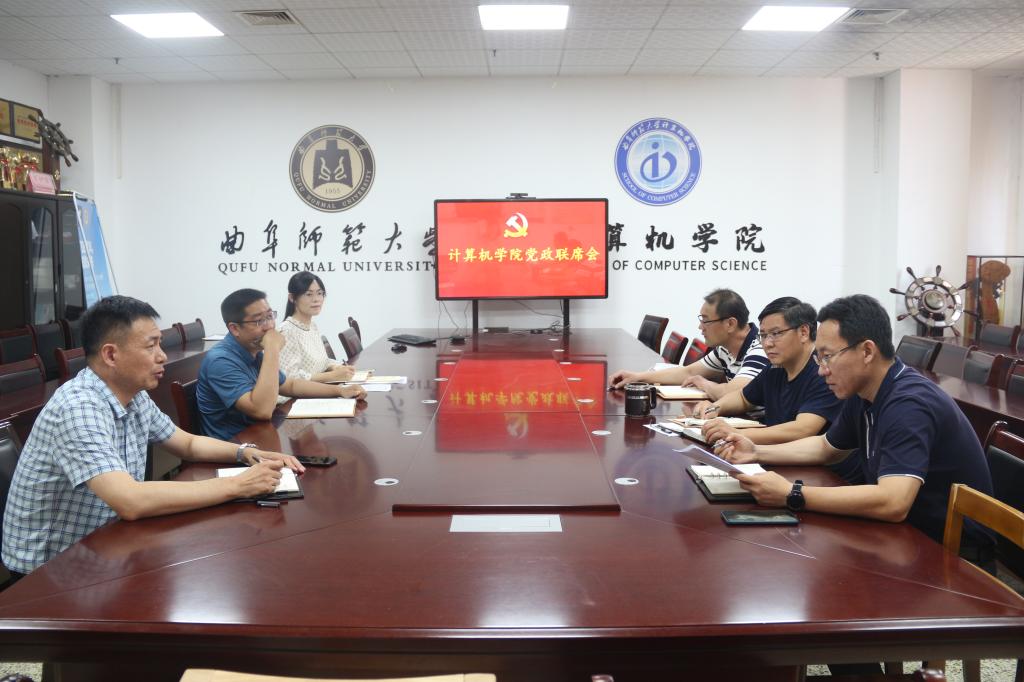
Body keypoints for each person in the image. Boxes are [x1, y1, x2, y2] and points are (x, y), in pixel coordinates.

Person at [1, 296, 304, 578]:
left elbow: (187, 443)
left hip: (107, 541)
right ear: (111, 354)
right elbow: (130, 500)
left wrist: (246, 453)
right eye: (151, 346)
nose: (162, 356)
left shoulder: (132, 395)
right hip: (51, 569)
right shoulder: (78, 408)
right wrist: (238, 485)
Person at [718, 294, 995, 557]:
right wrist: (756, 451)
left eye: (828, 356)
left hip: (952, 553)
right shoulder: (863, 391)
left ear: (867, 351)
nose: (821, 369)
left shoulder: (909, 403)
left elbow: (894, 502)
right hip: (903, 535)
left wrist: (792, 494)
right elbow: (826, 447)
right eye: (819, 358)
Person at [197, 288, 367, 441]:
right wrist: (272, 349)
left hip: (259, 437)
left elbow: (290, 385)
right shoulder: (220, 361)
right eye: (259, 321)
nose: (270, 326)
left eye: (270, 316)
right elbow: (262, 410)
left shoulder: (253, 351)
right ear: (234, 328)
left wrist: (339, 391)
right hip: (234, 447)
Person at [693, 297, 840, 445]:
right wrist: (715, 407)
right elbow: (743, 398)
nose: (768, 343)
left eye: (776, 334)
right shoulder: (776, 367)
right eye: (763, 335)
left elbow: (803, 429)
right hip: (774, 452)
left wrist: (737, 434)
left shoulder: (824, 371)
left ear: (803, 332)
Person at [609, 288, 769, 399]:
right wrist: (637, 377)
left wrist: (703, 383)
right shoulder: (724, 350)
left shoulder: (759, 350)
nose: (700, 327)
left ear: (730, 324)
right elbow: (688, 372)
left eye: (706, 321)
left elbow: (732, 393)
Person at [279, 271, 355, 385]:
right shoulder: (286, 331)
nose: (316, 299)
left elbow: (322, 362)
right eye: (308, 294)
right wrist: (331, 376)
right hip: (301, 395)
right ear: (292, 298)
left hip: (320, 389)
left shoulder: (312, 326)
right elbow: (290, 377)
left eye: (319, 293)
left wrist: (337, 367)